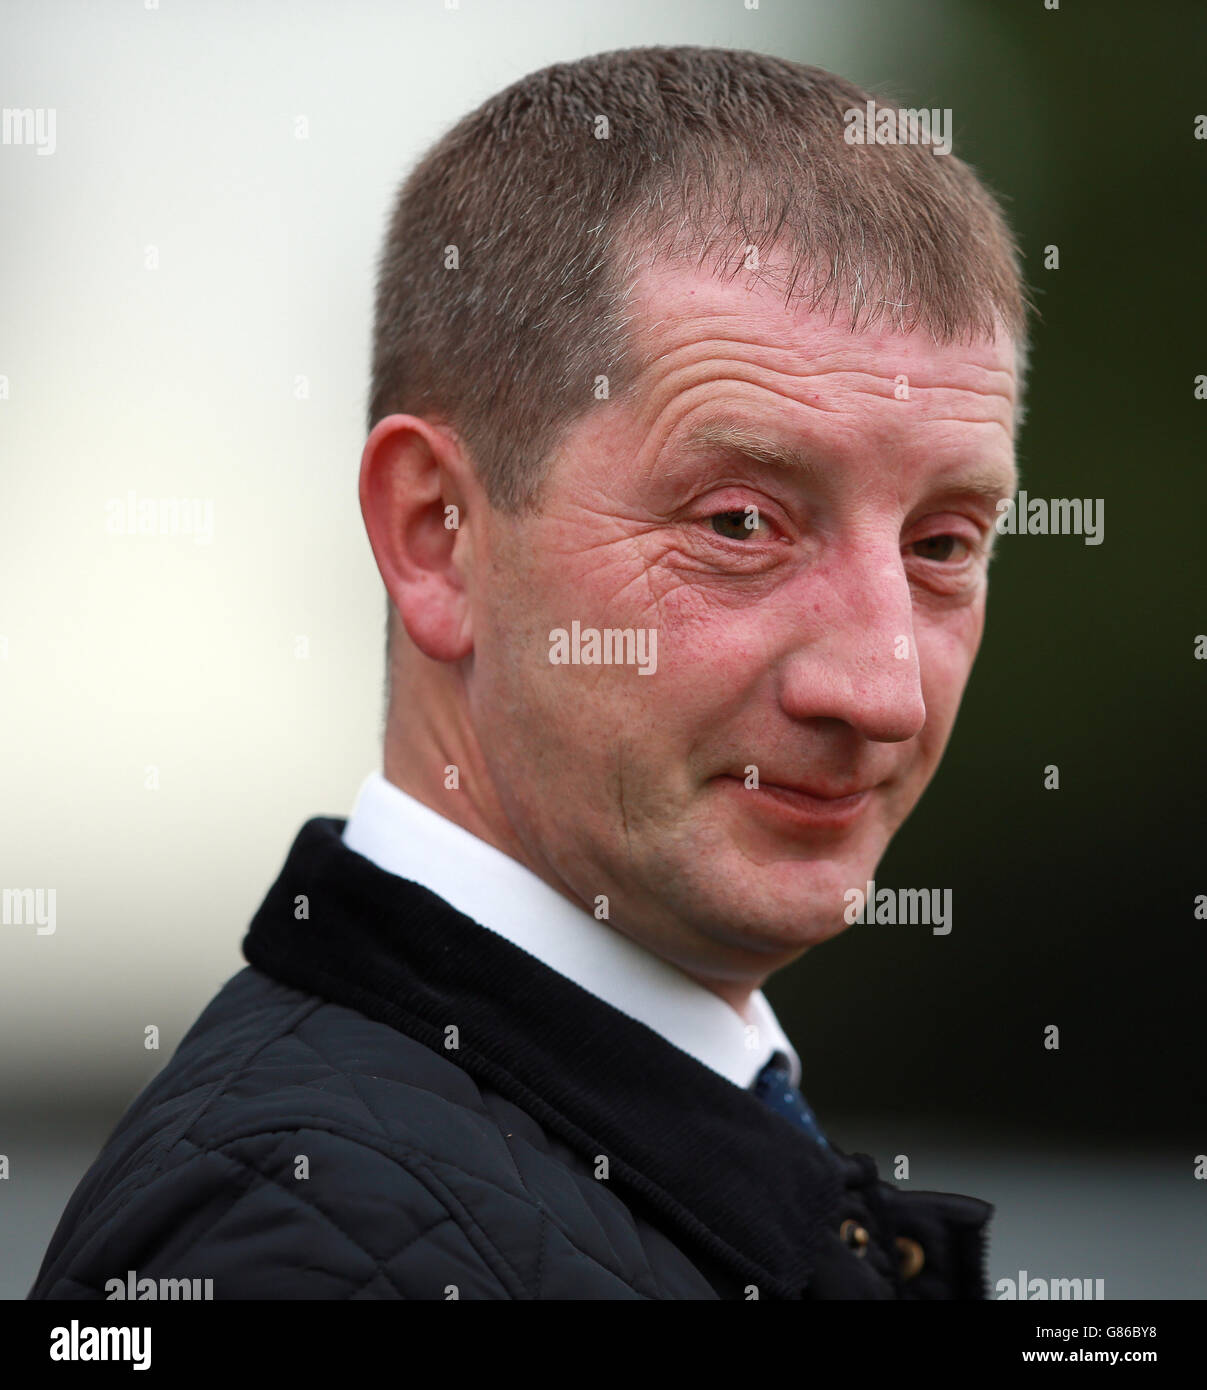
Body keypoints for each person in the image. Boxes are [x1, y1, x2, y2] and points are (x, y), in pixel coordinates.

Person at [31, 45, 1027, 1300]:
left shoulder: (578, 1169)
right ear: (436, 534)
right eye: (738, 524)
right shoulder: (310, 1240)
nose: (881, 693)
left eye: (942, 545)